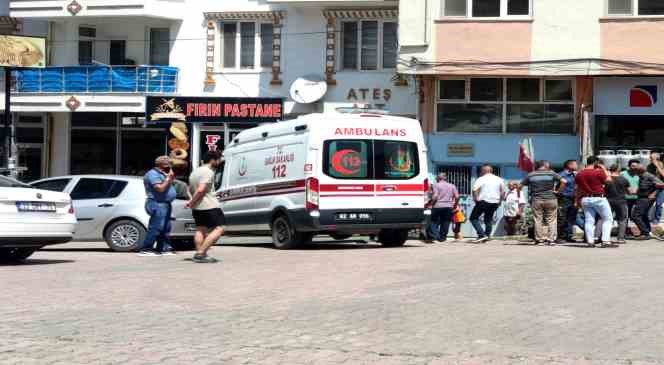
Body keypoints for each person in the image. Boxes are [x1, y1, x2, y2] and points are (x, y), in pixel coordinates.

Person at [186, 150, 225, 263]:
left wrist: (191, 201)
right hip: (209, 205)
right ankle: (200, 253)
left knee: (200, 229)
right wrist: (192, 202)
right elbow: (201, 189)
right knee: (220, 228)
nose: (219, 162)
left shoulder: (195, 172)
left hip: (198, 207)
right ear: (212, 160)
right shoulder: (208, 172)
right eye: (218, 160)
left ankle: (201, 256)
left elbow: (188, 189)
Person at [138, 156, 177, 257]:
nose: (170, 167)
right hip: (156, 203)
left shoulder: (162, 173)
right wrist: (168, 179)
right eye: (169, 165)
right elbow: (159, 189)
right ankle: (146, 248)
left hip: (165, 203)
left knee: (166, 227)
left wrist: (169, 177)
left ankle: (163, 247)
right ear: (162, 165)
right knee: (156, 227)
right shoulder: (153, 174)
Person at [520, 160, 565, 245]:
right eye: (548, 164)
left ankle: (539, 240)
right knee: (551, 220)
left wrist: (519, 194)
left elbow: (520, 185)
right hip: (551, 199)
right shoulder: (551, 173)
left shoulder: (531, 174)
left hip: (536, 199)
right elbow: (564, 181)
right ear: (545, 165)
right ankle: (551, 240)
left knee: (537, 219)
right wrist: (558, 191)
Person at [575, 156, 613, 247]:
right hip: (599, 198)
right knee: (608, 219)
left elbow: (577, 188)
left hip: (585, 198)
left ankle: (590, 241)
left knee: (589, 220)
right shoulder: (598, 172)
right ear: (596, 163)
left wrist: (577, 200)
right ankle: (605, 241)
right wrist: (604, 169)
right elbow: (609, 181)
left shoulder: (579, 174)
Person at [470, 165, 504, 243]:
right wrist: (500, 201)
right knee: (488, 219)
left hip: (484, 201)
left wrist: (476, 200)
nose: (481, 172)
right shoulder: (499, 179)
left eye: (482, 170)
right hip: (495, 202)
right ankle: (487, 236)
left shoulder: (481, 179)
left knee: (473, 218)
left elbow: (474, 190)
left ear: (485, 171)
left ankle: (482, 235)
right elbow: (502, 192)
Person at [631, 165, 664, 240]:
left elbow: (662, 185)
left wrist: (654, 194)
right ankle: (647, 232)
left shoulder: (648, 176)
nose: (634, 171)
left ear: (639, 171)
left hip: (645, 199)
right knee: (643, 215)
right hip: (641, 198)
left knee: (636, 216)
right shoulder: (641, 176)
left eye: (635, 170)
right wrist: (636, 192)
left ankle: (645, 233)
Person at [430, 172, 459, 242]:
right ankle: (443, 238)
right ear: (445, 178)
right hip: (448, 206)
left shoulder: (436, 185)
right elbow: (457, 196)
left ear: (438, 178)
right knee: (446, 222)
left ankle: (437, 236)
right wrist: (455, 205)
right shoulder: (452, 186)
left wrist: (432, 204)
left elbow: (435, 196)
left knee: (433, 222)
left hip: (437, 206)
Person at [606, 164, 630, 244]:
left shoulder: (607, 179)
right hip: (621, 201)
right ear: (618, 170)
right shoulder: (623, 179)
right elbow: (629, 191)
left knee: (607, 219)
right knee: (622, 219)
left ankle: (605, 237)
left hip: (608, 201)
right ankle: (620, 238)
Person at [557, 160, 578, 242]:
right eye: (575, 164)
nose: (577, 166)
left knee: (571, 218)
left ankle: (568, 235)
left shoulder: (575, 175)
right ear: (569, 165)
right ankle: (560, 236)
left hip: (574, 198)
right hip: (564, 198)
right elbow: (555, 186)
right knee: (562, 218)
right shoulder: (561, 175)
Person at [621, 159, 640, 234]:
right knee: (625, 216)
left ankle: (643, 231)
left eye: (636, 166)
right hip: (625, 198)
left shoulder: (639, 174)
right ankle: (624, 231)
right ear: (629, 166)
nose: (634, 167)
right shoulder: (623, 174)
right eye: (633, 166)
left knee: (636, 216)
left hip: (636, 198)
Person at [647, 152, 664, 226]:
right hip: (652, 187)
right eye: (650, 158)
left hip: (662, 188)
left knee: (658, 204)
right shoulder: (649, 166)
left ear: (657, 158)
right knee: (647, 203)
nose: (650, 159)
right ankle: (646, 217)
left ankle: (657, 219)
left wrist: (657, 166)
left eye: (651, 158)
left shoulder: (662, 164)